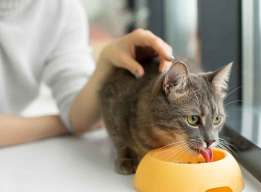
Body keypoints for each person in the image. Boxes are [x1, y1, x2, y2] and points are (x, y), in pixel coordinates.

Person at [0, 0, 173, 146]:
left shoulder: (63, 9)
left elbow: (77, 115)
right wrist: (61, 124)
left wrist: (106, 65)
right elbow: (75, 123)